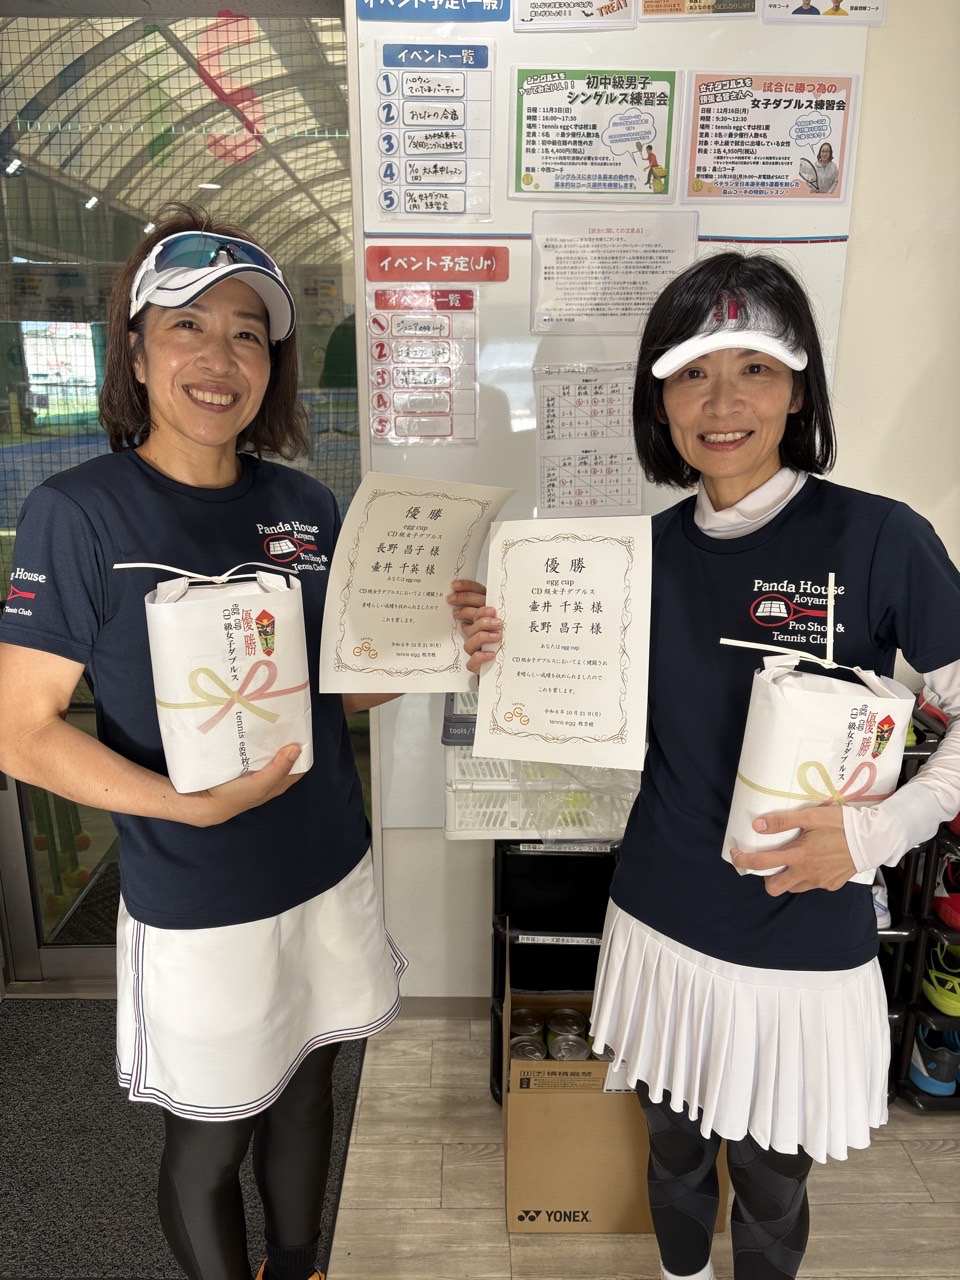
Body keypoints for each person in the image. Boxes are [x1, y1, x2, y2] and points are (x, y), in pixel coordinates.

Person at [0, 203, 484, 1280]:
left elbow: (336, 693)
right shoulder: (80, 514)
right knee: (213, 1133)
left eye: (247, 334)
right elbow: (20, 734)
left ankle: (299, 1266)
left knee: (311, 1087)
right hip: (198, 889)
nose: (220, 359)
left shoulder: (304, 506)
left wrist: (442, 645)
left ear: (272, 364)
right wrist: (185, 804)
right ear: (135, 350)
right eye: (188, 326)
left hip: (328, 863)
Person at [464, 252, 960, 1280]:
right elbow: (566, 704)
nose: (723, 401)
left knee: (774, 1182)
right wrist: (494, 645)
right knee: (676, 1150)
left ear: (798, 390)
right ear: (661, 398)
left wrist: (878, 832)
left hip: (800, 934)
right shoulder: (634, 556)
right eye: (693, 372)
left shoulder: (880, 537)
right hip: (659, 918)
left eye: (755, 370)